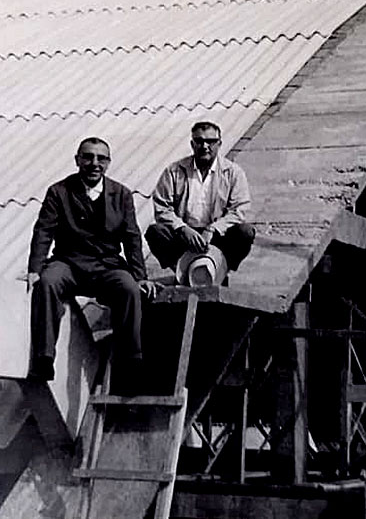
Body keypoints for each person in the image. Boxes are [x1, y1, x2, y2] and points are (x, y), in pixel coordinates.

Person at [26, 137, 158, 391]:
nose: (94, 163)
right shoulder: (58, 192)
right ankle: (44, 358)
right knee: (47, 282)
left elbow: (131, 237)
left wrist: (140, 276)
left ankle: (131, 362)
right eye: (88, 157)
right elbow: (43, 232)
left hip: (107, 265)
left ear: (108, 163)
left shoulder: (121, 194)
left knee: (129, 289)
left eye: (101, 158)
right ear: (77, 160)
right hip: (69, 262)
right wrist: (34, 269)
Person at [145, 121, 255, 283]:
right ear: (192, 144)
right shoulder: (174, 171)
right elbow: (162, 208)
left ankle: (220, 269)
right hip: (184, 235)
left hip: (217, 235)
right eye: (199, 141)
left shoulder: (233, 172)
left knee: (245, 232)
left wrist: (214, 229)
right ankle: (183, 270)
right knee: (155, 232)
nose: (205, 146)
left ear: (219, 144)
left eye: (210, 141)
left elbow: (239, 209)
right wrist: (182, 228)